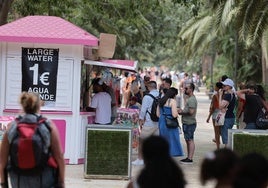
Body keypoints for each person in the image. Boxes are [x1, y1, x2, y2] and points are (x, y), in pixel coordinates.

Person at [0, 92, 65, 188]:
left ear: (23, 105)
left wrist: (3, 183)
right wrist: (61, 182)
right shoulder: (47, 125)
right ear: (39, 105)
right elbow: (59, 157)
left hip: (18, 179)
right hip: (44, 177)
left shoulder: (12, 127)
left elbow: (2, 160)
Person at [132, 81, 160, 166]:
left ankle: (140, 159)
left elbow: (143, 110)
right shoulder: (161, 95)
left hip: (149, 122)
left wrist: (140, 120)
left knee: (142, 140)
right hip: (158, 122)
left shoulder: (147, 97)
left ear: (148, 87)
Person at [157, 87, 184, 157]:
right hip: (170, 122)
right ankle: (170, 155)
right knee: (172, 140)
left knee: (163, 139)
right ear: (174, 94)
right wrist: (178, 111)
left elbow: (157, 114)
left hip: (162, 121)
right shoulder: (172, 101)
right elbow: (174, 115)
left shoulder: (160, 100)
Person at [178, 83, 197, 164]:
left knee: (190, 140)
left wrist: (182, 112)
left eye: (186, 88)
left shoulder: (192, 99)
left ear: (191, 89)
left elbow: (191, 112)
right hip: (187, 122)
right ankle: (188, 157)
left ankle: (190, 158)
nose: (185, 89)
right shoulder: (190, 98)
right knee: (188, 140)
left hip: (190, 123)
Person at [219, 78, 236, 146]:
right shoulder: (233, 94)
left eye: (225, 85)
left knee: (226, 139)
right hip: (231, 117)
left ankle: (226, 155)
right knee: (227, 137)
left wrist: (220, 95)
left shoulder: (228, 95)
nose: (223, 86)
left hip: (227, 118)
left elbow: (220, 106)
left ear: (229, 86)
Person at [206, 82, 223, 149]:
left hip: (216, 115)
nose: (214, 88)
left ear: (218, 87)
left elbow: (212, 107)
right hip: (222, 114)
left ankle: (218, 147)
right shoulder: (224, 95)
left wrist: (208, 117)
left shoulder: (215, 96)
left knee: (216, 132)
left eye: (215, 86)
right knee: (221, 131)